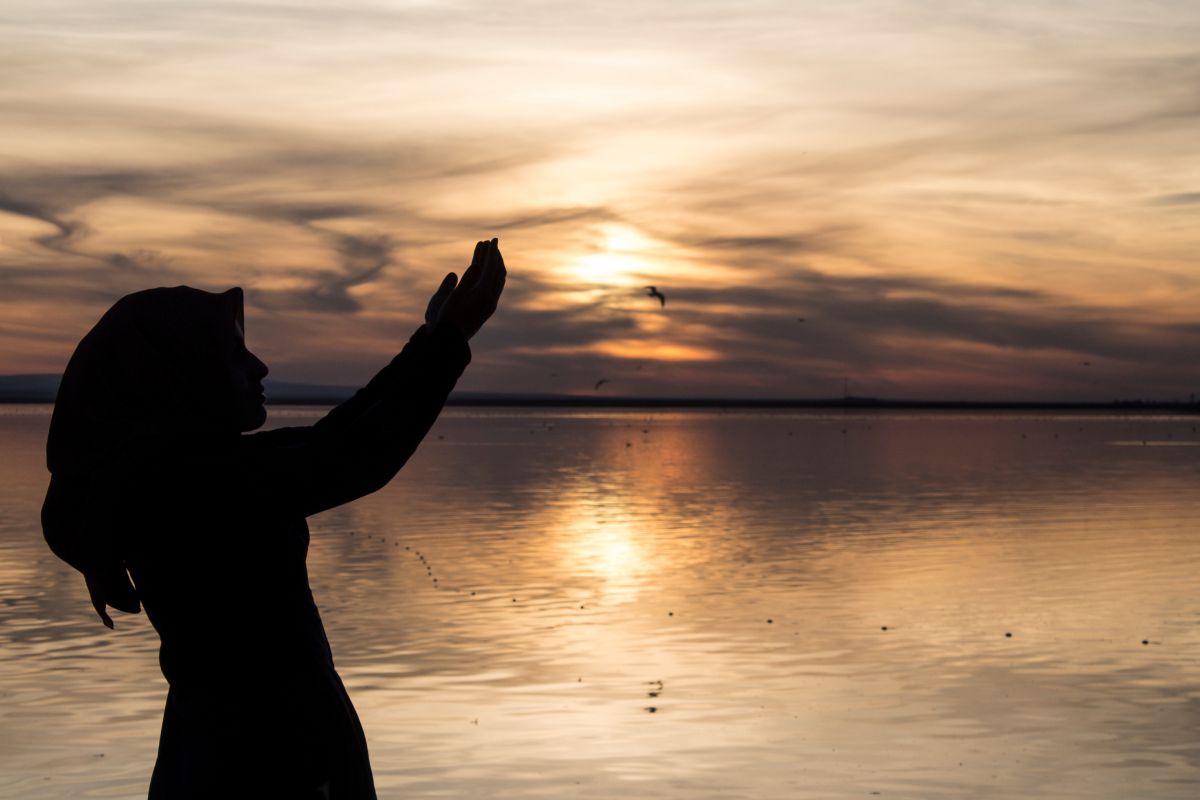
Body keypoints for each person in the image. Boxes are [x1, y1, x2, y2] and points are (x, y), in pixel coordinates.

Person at [41, 238, 506, 798]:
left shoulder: (182, 470)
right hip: (263, 763)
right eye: (233, 354)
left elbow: (337, 436)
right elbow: (357, 455)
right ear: (178, 375)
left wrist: (433, 341)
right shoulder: (193, 484)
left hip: (235, 750)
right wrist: (449, 341)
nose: (259, 366)